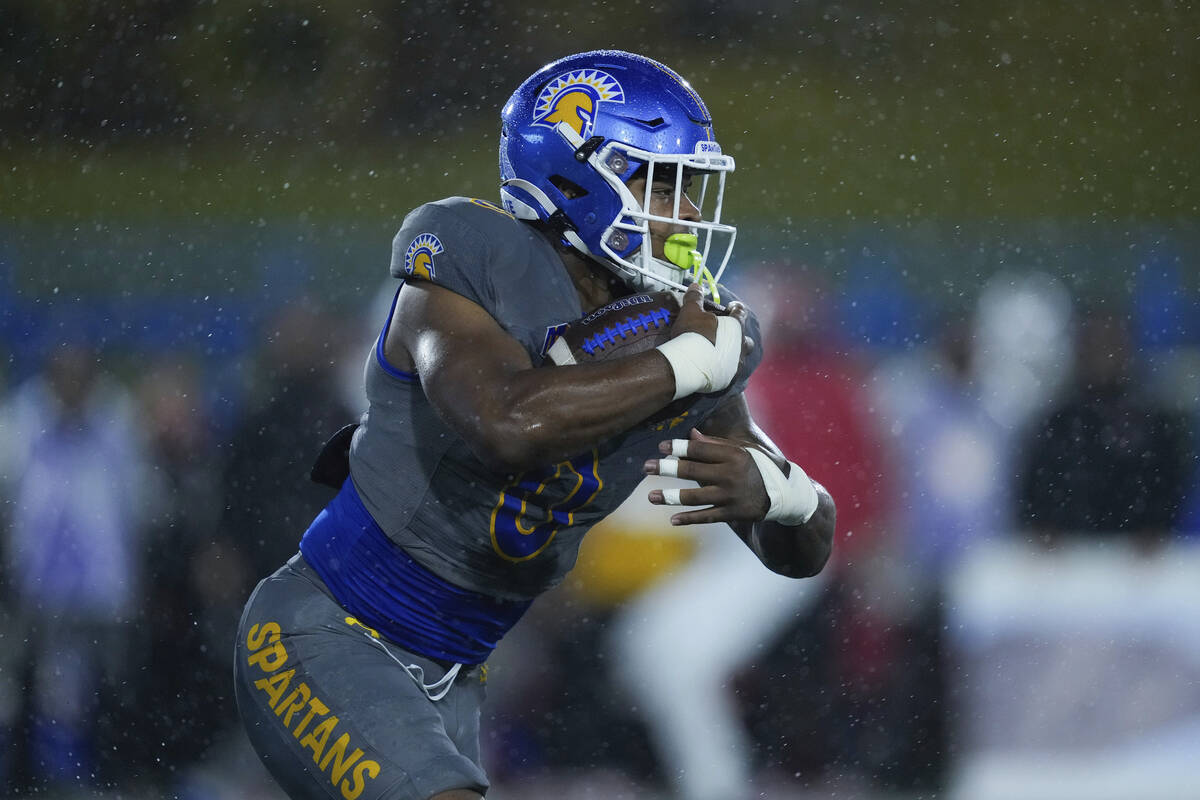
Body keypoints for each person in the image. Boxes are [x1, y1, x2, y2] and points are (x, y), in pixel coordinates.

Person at [233, 50, 836, 800]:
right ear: (576, 172)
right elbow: (505, 421)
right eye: (663, 181)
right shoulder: (467, 256)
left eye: (691, 187)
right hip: (330, 634)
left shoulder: (676, 329)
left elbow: (804, 552)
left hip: (457, 676)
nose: (683, 213)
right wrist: (684, 367)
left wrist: (784, 496)